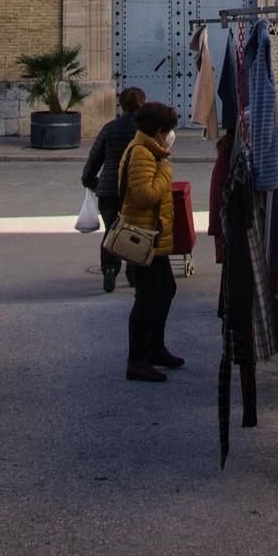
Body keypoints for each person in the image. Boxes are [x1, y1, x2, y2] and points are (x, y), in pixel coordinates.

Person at [118, 100, 181, 382]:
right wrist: (166, 172)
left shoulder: (149, 149)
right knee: (146, 297)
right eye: (166, 130)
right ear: (158, 131)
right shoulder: (143, 153)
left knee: (165, 288)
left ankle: (155, 348)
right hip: (142, 237)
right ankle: (137, 359)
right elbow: (143, 194)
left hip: (152, 235)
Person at [82, 86, 144, 292]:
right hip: (134, 189)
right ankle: (134, 272)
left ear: (121, 105)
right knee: (135, 229)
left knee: (112, 229)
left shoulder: (109, 128)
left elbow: (95, 157)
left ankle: (109, 269)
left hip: (108, 188)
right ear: (142, 104)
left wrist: (89, 180)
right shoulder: (144, 130)